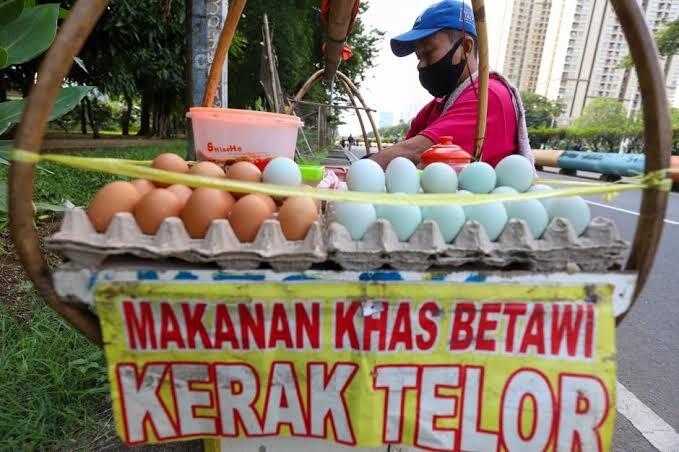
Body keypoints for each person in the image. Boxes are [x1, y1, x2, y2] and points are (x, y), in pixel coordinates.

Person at [369, 0, 533, 169]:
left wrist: (365, 166)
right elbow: (402, 157)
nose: (421, 65)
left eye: (428, 52)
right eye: (419, 57)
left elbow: (415, 152)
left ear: (465, 47)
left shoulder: (487, 97)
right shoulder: (435, 107)